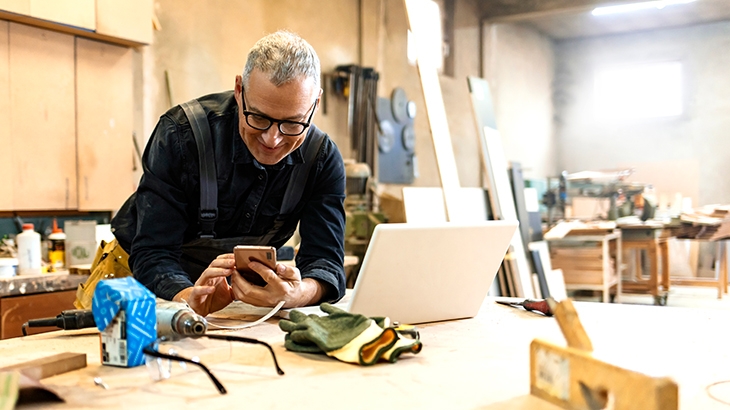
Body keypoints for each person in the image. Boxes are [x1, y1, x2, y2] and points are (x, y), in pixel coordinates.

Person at [111, 30, 346, 316]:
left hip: (233, 305)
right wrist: (189, 298)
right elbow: (153, 252)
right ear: (239, 90)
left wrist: (298, 294)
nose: (272, 140)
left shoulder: (321, 158)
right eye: (258, 117)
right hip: (141, 289)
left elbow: (326, 261)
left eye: (293, 123)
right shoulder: (180, 135)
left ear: (315, 104)